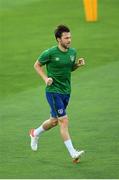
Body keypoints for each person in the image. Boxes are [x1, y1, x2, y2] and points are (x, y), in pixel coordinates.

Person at [29, 25, 85, 163]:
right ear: (58, 39)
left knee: (54, 121)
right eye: (66, 38)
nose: (69, 40)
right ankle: (73, 153)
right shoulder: (49, 53)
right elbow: (36, 65)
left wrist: (77, 65)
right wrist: (45, 79)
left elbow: (68, 68)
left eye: (70, 37)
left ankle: (35, 133)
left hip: (66, 91)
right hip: (53, 91)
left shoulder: (73, 52)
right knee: (64, 120)